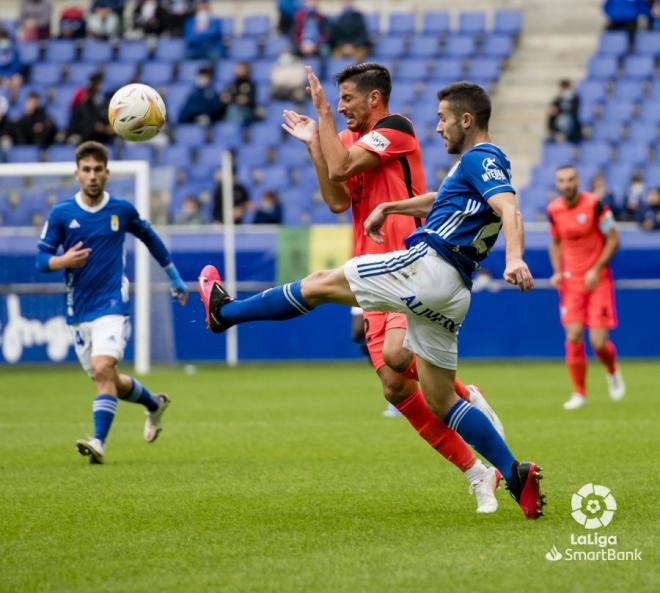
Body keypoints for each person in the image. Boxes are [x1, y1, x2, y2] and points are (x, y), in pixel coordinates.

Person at [198, 71, 545, 520]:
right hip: (454, 290)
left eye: (442, 119)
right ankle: (514, 473)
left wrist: (515, 257)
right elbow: (431, 198)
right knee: (434, 396)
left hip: (422, 265)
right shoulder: (473, 164)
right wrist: (391, 204)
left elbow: (509, 205)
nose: (436, 127)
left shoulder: (463, 151)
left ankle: (226, 312)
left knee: (322, 284)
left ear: (465, 119)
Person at [281, 62, 507, 514]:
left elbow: (342, 165)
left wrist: (322, 115)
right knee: (393, 386)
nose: (342, 107)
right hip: (368, 267)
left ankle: (463, 398)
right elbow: (336, 198)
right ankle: (477, 472)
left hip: (411, 262)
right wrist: (313, 145)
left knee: (399, 357)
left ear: (374, 99)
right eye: (338, 99)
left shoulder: (396, 128)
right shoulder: (346, 140)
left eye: (348, 98)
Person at [36, 141, 188, 464]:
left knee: (103, 367)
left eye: (98, 170)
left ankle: (98, 442)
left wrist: (174, 277)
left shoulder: (121, 209)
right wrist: (64, 261)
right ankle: (154, 404)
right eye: (86, 170)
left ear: (107, 173)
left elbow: (149, 237)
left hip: (112, 304)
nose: (92, 176)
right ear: (76, 173)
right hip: (79, 311)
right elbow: (41, 259)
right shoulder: (62, 213)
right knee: (108, 380)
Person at [547, 165, 625, 410]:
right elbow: (555, 243)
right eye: (561, 180)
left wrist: (596, 268)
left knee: (599, 342)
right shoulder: (554, 210)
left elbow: (614, 239)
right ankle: (579, 392)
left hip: (598, 279)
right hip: (571, 282)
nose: (567, 184)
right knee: (573, 335)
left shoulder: (596, 205)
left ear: (578, 180)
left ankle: (612, 370)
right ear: (557, 184)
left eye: (570, 179)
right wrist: (558, 272)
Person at [220, 62, 258, 127]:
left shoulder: (251, 85)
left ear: (247, 70)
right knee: (232, 109)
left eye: (241, 69)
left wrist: (232, 98)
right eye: (237, 69)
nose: (238, 70)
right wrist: (236, 98)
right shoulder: (230, 84)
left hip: (246, 111)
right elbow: (224, 99)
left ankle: (235, 130)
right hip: (230, 110)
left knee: (235, 110)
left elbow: (247, 100)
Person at [547, 79, 582, 144]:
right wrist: (550, 128)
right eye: (563, 88)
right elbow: (551, 114)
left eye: (566, 88)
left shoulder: (576, 99)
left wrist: (560, 111)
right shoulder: (557, 100)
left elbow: (575, 112)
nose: (565, 90)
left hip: (573, 126)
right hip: (559, 127)